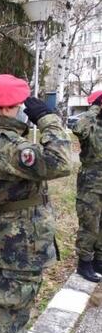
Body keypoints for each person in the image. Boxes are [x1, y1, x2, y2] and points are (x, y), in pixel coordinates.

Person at [0, 74, 72, 333]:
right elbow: (60, 162)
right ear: (5, 108)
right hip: (19, 248)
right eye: (20, 103)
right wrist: (49, 119)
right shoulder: (6, 145)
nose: (24, 109)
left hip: (3, 241)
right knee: (6, 323)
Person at [72, 90, 102, 282]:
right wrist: (94, 109)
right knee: (90, 223)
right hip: (91, 181)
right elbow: (77, 127)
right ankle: (84, 263)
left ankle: (99, 260)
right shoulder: (90, 124)